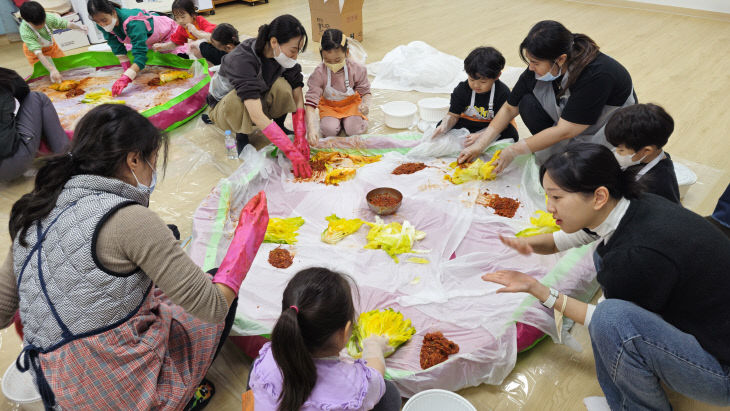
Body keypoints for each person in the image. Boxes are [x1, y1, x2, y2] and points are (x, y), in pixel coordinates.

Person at [0, 104, 269, 410]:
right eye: (153, 162)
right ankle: (177, 396)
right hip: (125, 394)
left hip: (56, 387)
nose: (153, 172)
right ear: (133, 159)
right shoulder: (131, 220)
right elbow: (213, 306)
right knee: (219, 283)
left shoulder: (35, 208)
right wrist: (245, 242)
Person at [483, 143, 730, 410]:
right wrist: (522, 244)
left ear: (599, 196)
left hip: (722, 371)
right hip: (711, 320)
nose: (549, 206)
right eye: (547, 196)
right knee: (602, 257)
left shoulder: (633, 255)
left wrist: (536, 288)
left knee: (611, 319)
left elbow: (601, 321)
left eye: (557, 197)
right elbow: (572, 237)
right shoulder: (633, 202)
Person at [458, 20, 635, 171]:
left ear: (561, 59)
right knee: (526, 102)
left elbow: (567, 130)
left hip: (606, 132)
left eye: (535, 62)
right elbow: (510, 107)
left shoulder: (598, 74)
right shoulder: (548, 60)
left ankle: (573, 160)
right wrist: (480, 144)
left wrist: (515, 149)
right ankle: (558, 157)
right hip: (571, 124)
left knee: (587, 174)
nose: (530, 68)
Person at [249, 267, 402, 411]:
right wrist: (373, 345)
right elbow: (376, 377)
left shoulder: (269, 356)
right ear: (344, 333)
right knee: (390, 395)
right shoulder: (352, 383)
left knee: (254, 369)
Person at [207, 14, 312, 178]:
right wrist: (291, 151)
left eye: (298, 51)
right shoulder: (242, 59)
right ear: (274, 42)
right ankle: (242, 135)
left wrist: (300, 133)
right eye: (293, 50)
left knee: (284, 87)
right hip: (223, 105)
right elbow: (256, 114)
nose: (295, 57)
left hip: (257, 93)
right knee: (238, 99)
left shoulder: (279, 55)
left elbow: (297, 91)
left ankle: (279, 124)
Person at [87, 0, 188, 96]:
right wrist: (127, 69)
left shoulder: (133, 22)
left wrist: (127, 76)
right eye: (97, 21)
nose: (101, 24)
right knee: (137, 60)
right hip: (145, 39)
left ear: (113, 13)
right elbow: (116, 46)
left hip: (165, 33)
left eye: (104, 20)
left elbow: (140, 55)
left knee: (177, 60)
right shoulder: (102, 24)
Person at [432, 46, 518, 142]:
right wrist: (444, 127)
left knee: (511, 133)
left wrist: (481, 136)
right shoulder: (462, 89)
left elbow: (503, 123)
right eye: (471, 79)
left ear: (497, 76)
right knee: (441, 125)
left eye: (483, 82)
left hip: (493, 125)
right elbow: (453, 114)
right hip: (469, 122)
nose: (476, 85)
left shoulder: (502, 93)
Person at [0, 67, 69, 181]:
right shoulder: (4, 76)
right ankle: (66, 157)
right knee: (37, 97)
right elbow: (25, 94)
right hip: (12, 163)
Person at [606, 103, 680, 203]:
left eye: (621, 150)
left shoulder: (655, 187)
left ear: (646, 151)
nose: (616, 153)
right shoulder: (648, 156)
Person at [304, 28, 370, 140]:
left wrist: (366, 105)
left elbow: (366, 92)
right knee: (329, 131)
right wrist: (311, 129)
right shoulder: (319, 73)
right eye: (328, 60)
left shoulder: (357, 69)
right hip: (329, 106)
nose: (333, 64)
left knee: (353, 130)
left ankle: (350, 122)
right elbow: (310, 103)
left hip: (351, 104)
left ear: (347, 53)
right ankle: (337, 124)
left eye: (338, 59)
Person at [18, 1, 88, 82]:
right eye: (37, 25)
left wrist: (79, 27)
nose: (41, 26)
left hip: (51, 46)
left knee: (62, 66)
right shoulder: (25, 31)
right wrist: (52, 70)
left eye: (43, 22)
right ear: (27, 21)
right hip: (35, 53)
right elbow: (39, 54)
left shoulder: (49, 18)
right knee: (45, 74)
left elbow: (66, 24)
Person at [151, 0, 218, 63]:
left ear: (192, 15)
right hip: (204, 51)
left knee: (195, 48)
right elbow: (175, 43)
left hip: (217, 47)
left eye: (183, 17)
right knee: (182, 55)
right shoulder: (182, 28)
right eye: (177, 17)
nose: (180, 21)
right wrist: (162, 47)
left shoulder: (200, 21)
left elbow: (213, 37)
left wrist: (196, 32)